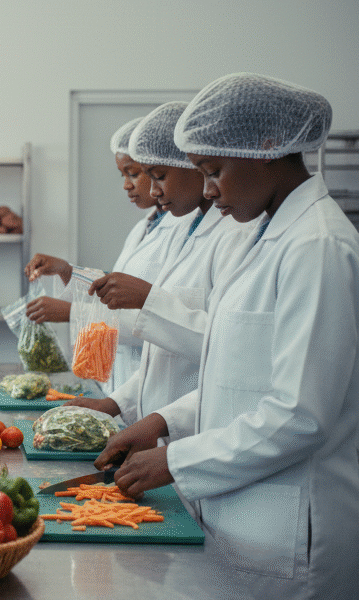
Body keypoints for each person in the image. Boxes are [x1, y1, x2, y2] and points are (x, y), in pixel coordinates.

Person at [95, 73, 359, 599]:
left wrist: (176, 459)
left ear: (267, 149)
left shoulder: (317, 247)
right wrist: (162, 421)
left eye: (213, 171)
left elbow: (300, 415)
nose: (209, 189)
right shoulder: (259, 237)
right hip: (239, 515)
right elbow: (235, 373)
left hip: (289, 530)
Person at [69, 101, 253, 424]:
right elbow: (161, 355)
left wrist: (147, 300)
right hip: (156, 419)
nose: (153, 191)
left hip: (192, 425)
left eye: (158, 176)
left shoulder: (236, 235)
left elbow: (230, 348)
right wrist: (116, 403)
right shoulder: (186, 228)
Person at [25, 116, 186, 394]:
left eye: (134, 173)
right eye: (122, 175)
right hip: (125, 378)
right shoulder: (145, 226)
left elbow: (162, 316)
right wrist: (66, 270)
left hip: (160, 382)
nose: (126, 185)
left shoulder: (184, 230)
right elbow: (118, 289)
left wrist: (73, 312)